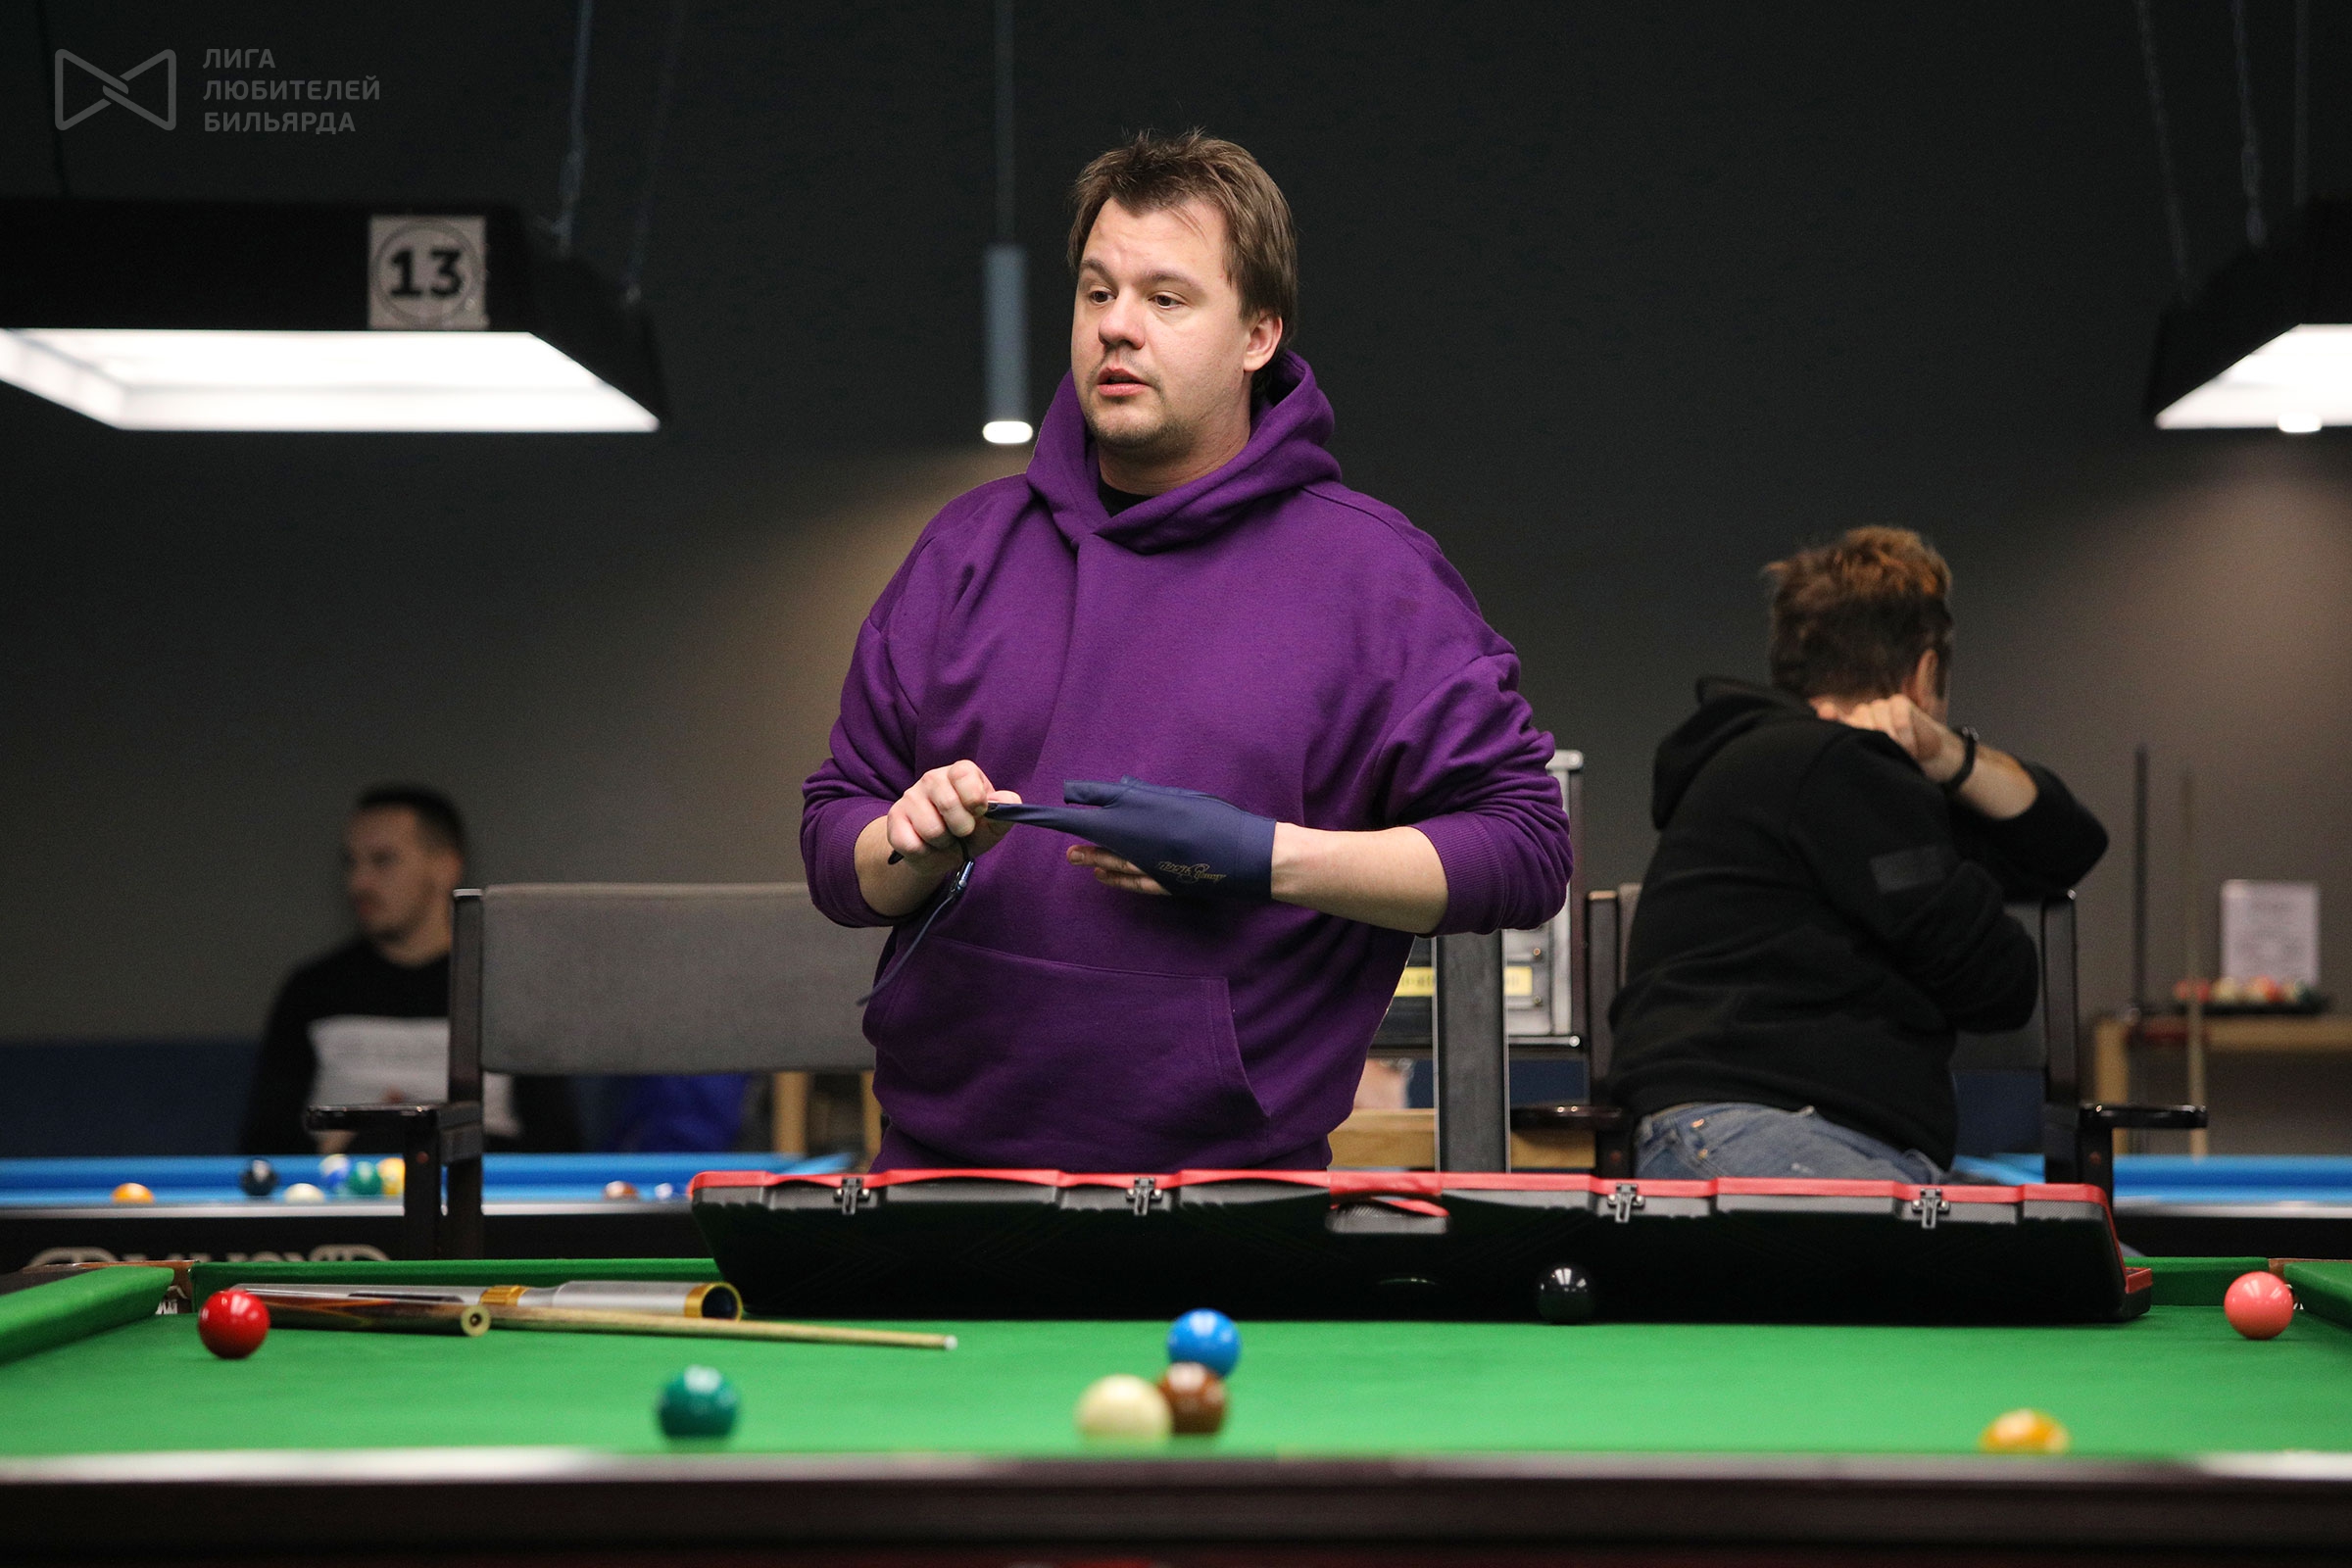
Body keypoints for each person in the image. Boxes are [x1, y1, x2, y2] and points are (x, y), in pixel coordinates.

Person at [802, 130, 1573, 1173]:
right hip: (943, 1174)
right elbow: (837, 842)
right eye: (1097, 292)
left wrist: (1265, 859)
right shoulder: (965, 550)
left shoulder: (1372, 575)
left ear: (1258, 334)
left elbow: (1525, 849)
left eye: (1166, 298)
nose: (1116, 326)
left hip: (1230, 1195)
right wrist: (912, 845)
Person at [1606, 527, 2108, 1182]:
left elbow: (2067, 843)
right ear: (1924, 672)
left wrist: (1945, 755)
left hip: (1751, 1136)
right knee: (2035, 1254)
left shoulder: (1773, 767)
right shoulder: (1841, 770)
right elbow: (1998, 983)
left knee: (2068, 1246)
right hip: (1763, 1132)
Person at [238, 786, 578, 1156]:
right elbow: (261, 1145)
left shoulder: (507, 990)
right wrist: (356, 1142)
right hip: (342, 1188)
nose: (359, 883)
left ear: (445, 867)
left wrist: (431, 1134)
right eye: (352, 863)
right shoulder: (312, 989)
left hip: (478, 1187)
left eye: (383, 860)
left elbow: (560, 1145)